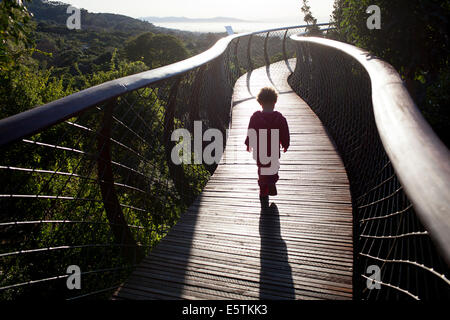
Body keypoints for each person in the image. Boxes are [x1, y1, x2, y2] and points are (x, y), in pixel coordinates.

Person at [244, 87, 290, 207]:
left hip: (260, 150)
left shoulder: (255, 117)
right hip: (274, 149)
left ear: (260, 102)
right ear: (274, 102)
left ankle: (263, 191)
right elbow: (285, 132)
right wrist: (285, 144)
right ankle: (271, 182)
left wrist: (249, 144)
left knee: (262, 169)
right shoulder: (280, 118)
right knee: (274, 167)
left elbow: (251, 131)